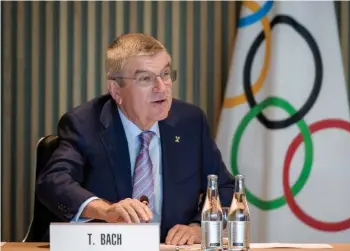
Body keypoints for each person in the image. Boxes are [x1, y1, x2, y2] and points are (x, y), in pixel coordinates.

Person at [36, 33, 234, 245]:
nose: (161, 87)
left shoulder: (190, 122)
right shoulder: (85, 124)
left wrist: (197, 227)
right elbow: (53, 182)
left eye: (165, 74)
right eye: (145, 78)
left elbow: (225, 188)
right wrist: (106, 210)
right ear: (116, 90)